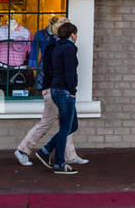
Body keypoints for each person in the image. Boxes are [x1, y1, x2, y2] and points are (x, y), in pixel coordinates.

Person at [12, 18, 87, 167]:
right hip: (54, 89)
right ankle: (23, 150)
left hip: (55, 88)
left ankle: (70, 155)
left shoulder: (57, 45)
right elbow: (51, 70)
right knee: (48, 123)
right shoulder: (55, 46)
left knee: (66, 123)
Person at [38, 21, 82, 174]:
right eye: (76, 34)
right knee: (65, 127)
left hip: (56, 89)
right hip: (64, 91)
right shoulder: (69, 48)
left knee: (72, 125)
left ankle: (45, 150)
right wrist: (72, 90)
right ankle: (59, 163)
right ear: (72, 34)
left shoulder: (57, 47)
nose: (76, 37)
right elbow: (70, 72)